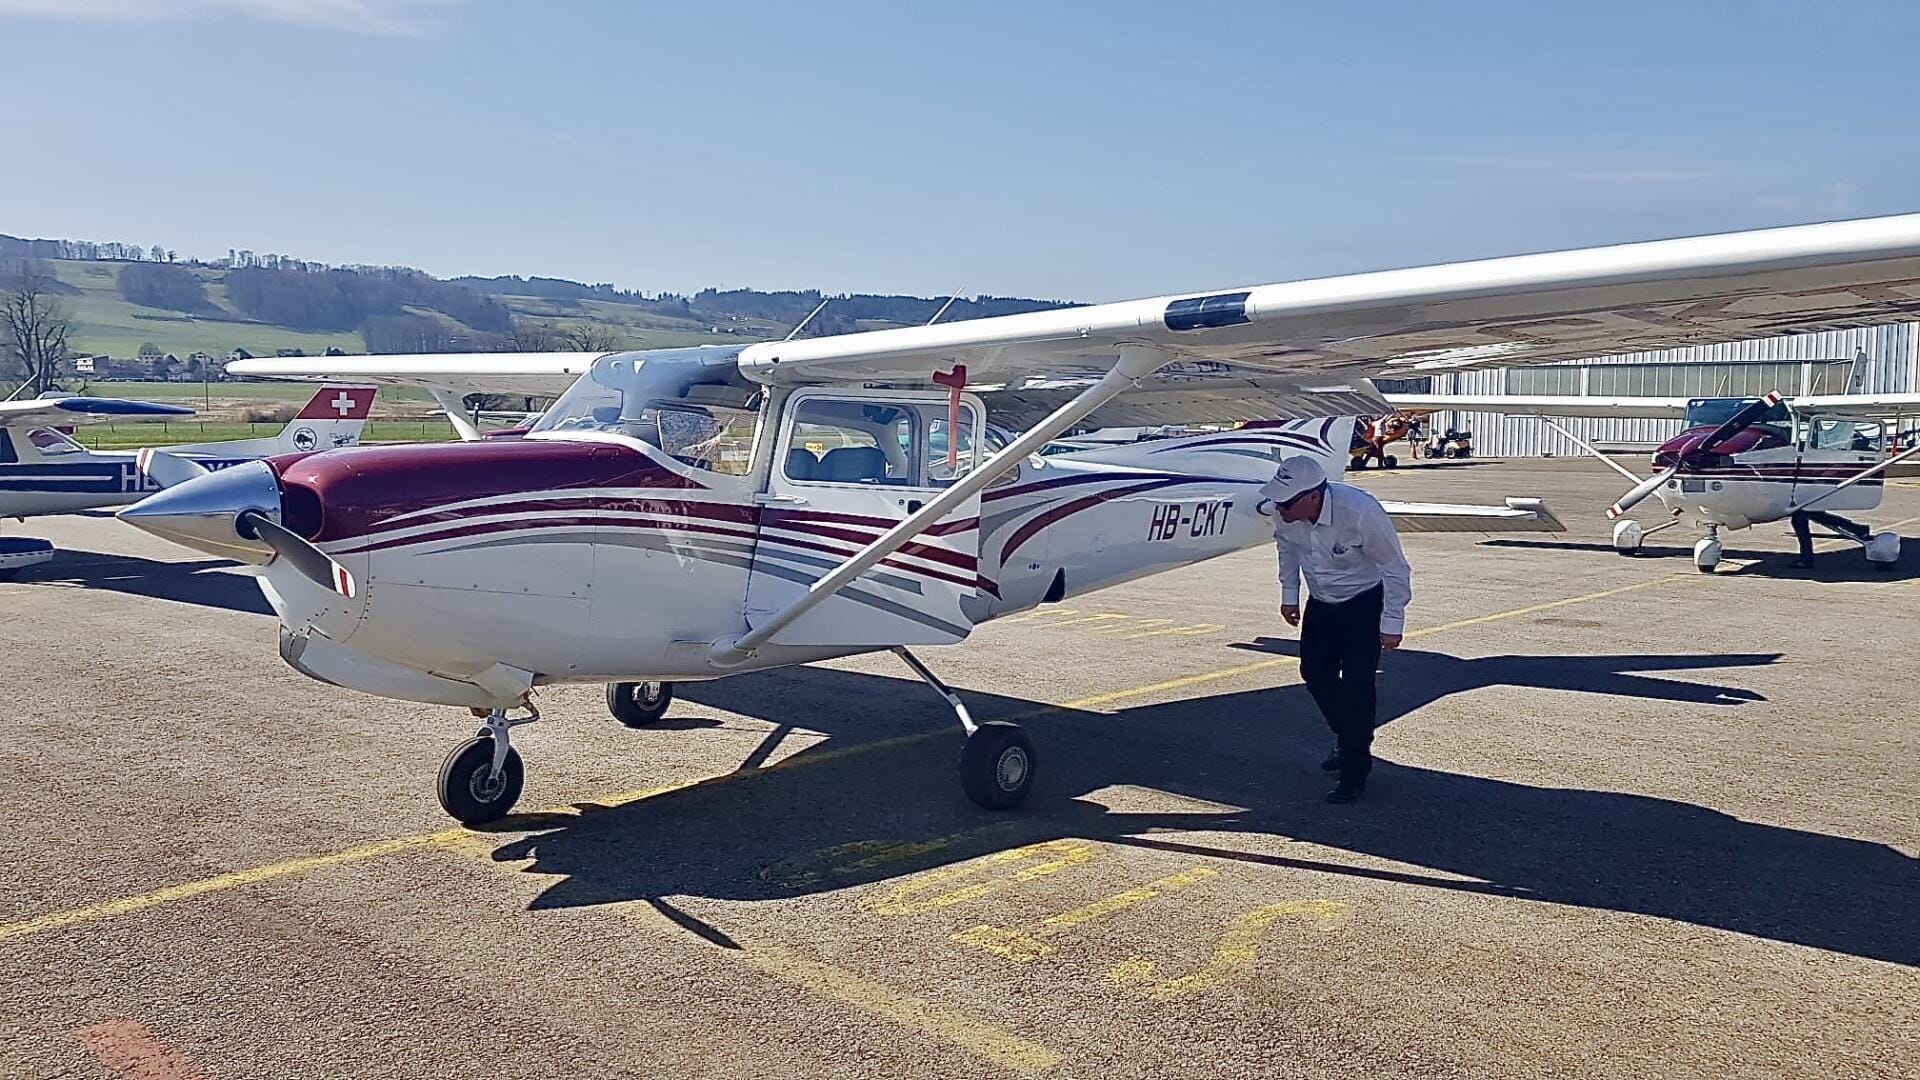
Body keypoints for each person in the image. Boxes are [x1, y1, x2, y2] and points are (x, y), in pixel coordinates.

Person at [1265, 455, 1412, 804]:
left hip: (1362, 602)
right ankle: (1348, 737)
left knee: (1359, 686)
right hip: (1322, 600)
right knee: (1314, 674)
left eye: (1287, 501)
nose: (1280, 507)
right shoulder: (1281, 511)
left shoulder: (1360, 512)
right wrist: (1289, 594)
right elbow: (1286, 549)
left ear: (1313, 496)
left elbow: (1395, 568)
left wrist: (1392, 623)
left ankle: (1354, 770)